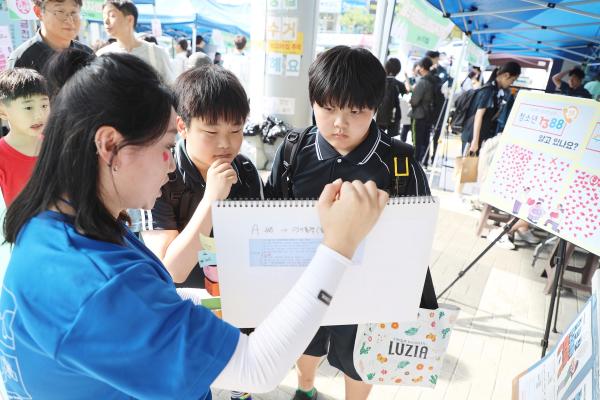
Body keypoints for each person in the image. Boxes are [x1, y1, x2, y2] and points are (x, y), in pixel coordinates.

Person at [0, 52, 388, 399]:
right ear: (109, 146)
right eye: (166, 147)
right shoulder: (99, 286)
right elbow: (257, 368)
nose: (170, 164)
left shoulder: (54, 225)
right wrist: (338, 246)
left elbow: (150, 296)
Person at [265, 45, 438, 400]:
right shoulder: (294, 150)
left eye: (355, 111)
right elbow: (272, 213)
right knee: (306, 342)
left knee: (361, 358)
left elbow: (416, 237)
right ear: (312, 101)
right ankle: (306, 387)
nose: (339, 123)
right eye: (327, 108)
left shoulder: (399, 164)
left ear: (375, 107)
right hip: (306, 279)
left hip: (369, 292)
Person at [140, 64, 262, 400]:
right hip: (184, 306)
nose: (226, 144)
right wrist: (211, 197)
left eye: (236, 130)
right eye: (211, 132)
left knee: (241, 370)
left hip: (232, 295)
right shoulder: (162, 175)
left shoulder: (246, 171)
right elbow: (170, 271)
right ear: (182, 126)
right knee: (192, 380)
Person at [0, 68, 50, 206]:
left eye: (44, 105)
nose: (39, 114)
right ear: (3, 111)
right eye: (28, 107)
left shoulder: (55, 146)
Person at [96, 0, 175, 84]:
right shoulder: (102, 55)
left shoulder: (156, 53)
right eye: (104, 17)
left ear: (129, 19)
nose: (106, 21)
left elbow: (171, 89)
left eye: (112, 15)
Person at [8, 0, 93, 75]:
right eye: (60, 11)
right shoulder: (22, 59)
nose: (70, 20)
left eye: (74, 12)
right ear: (39, 12)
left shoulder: (88, 55)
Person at [461, 61, 521, 155]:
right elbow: (478, 116)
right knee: (466, 167)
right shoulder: (488, 90)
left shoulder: (497, 91)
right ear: (506, 75)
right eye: (512, 80)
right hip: (472, 136)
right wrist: (475, 141)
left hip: (480, 135)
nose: (511, 83)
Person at [409, 57, 436, 167]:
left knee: (417, 140)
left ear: (423, 67)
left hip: (419, 114)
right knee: (425, 139)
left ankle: (415, 163)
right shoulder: (433, 79)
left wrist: (411, 100)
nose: (418, 68)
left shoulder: (423, 82)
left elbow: (414, 101)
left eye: (419, 66)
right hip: (428, 113)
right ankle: (424, 161)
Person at [375, 57, 407, 137]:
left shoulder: (378, 82)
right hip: (393, 117)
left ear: (385, 67)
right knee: (391, 141)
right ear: (398, 70)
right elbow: (406, 97)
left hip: (379, 115)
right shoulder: (400, 85)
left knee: (377, 137)